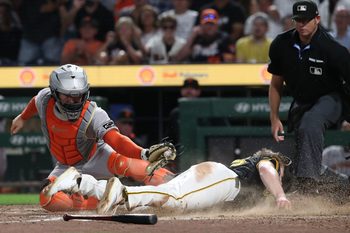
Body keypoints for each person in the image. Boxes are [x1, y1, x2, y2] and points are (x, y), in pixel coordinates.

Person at [10, 64, 176, 212]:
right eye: (66, 96)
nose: (73, 101)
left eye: (77, 96)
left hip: (97, 157)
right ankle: (99, 202)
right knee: (48, 199)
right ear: (54, 93)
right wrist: (23, 117)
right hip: (65, 167)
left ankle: (175, 186)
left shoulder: (94, 114)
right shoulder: (45, 100)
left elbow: (116, 140)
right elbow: (35, 101)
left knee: (124, 163)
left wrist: (144, 153)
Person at [47, 148, 292, 214]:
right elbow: (266, 169)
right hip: (225, 181)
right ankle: (122, 193)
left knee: (158, 201)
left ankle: (81, 183)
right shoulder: (270, 162)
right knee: (174, 200)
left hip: (213, 178)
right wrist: (280, 195)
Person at [268, 0, 350, 189]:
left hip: (332, 98)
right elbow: (276, 83)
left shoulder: (333, 49)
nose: (302, 24)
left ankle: (308, 187)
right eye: (298, 20)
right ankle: (341, 187)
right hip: (302, 100)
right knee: (302, 144)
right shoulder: (281, 44)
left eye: (307, 20)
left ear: (317, 19)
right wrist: (274, 117)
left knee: (311, 123)